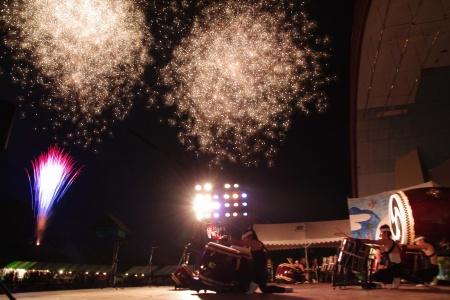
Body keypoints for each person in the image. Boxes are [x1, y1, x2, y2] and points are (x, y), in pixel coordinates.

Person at [231, 228, 293, 294]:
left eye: (245, 238)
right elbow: (249, 254)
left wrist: (229, 244)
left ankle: (253, 285)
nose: (244, 240)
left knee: (264, 288)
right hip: (260, 271)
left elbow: (241, 244)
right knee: (264, 289)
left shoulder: (255, 242)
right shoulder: (254, 243)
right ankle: (286, 290)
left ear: (250, 236)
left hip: (259, 271)